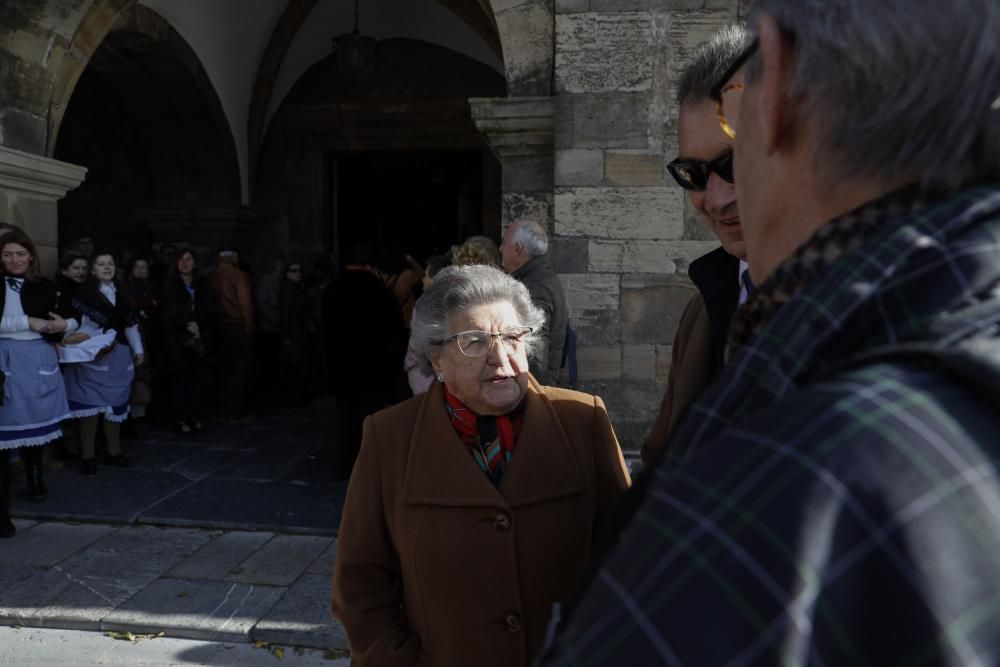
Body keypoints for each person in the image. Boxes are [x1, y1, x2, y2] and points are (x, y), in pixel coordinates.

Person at [539, 1, 1000, 664]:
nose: (718, 196)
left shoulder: (787, 495)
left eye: (729, 156)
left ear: (775, 84)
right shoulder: (716, 316)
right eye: (693, 175)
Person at [332, 264, 631, 666]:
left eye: (511, 337)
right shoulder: (389, 437)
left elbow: (628, 558)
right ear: (436, 360)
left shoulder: (582, 420)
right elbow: (360, 586)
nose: (500, 357)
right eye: (474, 340)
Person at [641, 23, 753, 466]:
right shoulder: (702, 309)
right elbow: (659, 459)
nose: (715, 198)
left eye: (735, 164)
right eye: (695, 174)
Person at [0, 230, 77, 535]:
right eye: (7, 254)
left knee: (33, 426)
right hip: (4, 361)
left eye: (20, 253)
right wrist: (26, 322)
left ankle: (35, 477)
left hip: (38, 361)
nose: (15, 260)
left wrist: (66, 324)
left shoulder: (45, 286)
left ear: (31, 255)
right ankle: (1, 508)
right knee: (3, 436)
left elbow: (73, 315)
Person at [323, 242, 408, 480]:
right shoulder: (379, 290)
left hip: (342, 365)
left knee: (344, 418)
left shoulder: (332, 289)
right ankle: (367, 467)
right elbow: (394, 332)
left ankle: (345, 465)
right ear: (370, 265)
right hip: (372, 366)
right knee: (369, 419)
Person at [63, 252, 144, 474]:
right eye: (101, 264)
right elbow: (79, 324)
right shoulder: (84, 294)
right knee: (90, 406)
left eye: (110, 263)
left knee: (115, 403)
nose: (107, 267)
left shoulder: (125, 293)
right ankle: (88, 456)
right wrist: (93, 342)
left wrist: (138, 349)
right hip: (93, 353)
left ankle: (114, 451)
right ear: (93, 270)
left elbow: (130, 325)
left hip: (118, 353)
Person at [499, 220, 568, 385]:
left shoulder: (535, 286)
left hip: (533, 388)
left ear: (517, 248)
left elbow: (535, 355)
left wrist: (527, 394)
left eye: (503, 242)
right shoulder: (539, 277)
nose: (500, 248)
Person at [157, 248, 213, 435]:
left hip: (197, 338)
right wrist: (185, 324)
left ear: (195, 263)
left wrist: (200, 326)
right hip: (177, 340)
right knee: (179, 381)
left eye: (189, 259)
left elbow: (209, 309)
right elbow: (165, 314)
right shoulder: (169, 285)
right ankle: (179, 418)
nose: (185, 263)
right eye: (181, 259)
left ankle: (195, 416)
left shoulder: (203, 285)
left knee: (196, 381)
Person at [206, 247, 254, 422]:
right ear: (233, 256)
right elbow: (246, 305)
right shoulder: (238, 275)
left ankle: (222, 409)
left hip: (218, 327)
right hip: (236, 326)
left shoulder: (211, 276)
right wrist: (249, 330)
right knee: (238, 370)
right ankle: (234, 411)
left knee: (222, 369)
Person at [279, 260, 309, 405]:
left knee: (295, 365)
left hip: (297, 333)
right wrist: (286, 336)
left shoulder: (294, 288)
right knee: (293, 365)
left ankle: (295, 395)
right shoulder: (288, 290)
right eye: (294, 270)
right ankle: (293, 396)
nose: (298, 273)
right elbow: (286, 313)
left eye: (299, 270)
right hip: (293, 334)